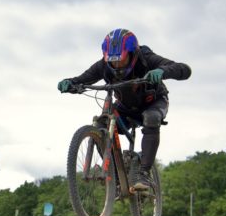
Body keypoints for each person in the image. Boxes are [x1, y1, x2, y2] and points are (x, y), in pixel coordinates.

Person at [57, 28, 191, 190]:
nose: (117, 64)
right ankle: (116, 173)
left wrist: (162, 71)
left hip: (154, 102)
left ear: (132, 54)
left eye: (121, 60)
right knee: (101, 125)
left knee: (151, 117)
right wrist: (69, 83)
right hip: (126, 108)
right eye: (112, 61)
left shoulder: (146, 58)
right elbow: (82, 79)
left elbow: (184, 69)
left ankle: (143, 173)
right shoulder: (103, 66)